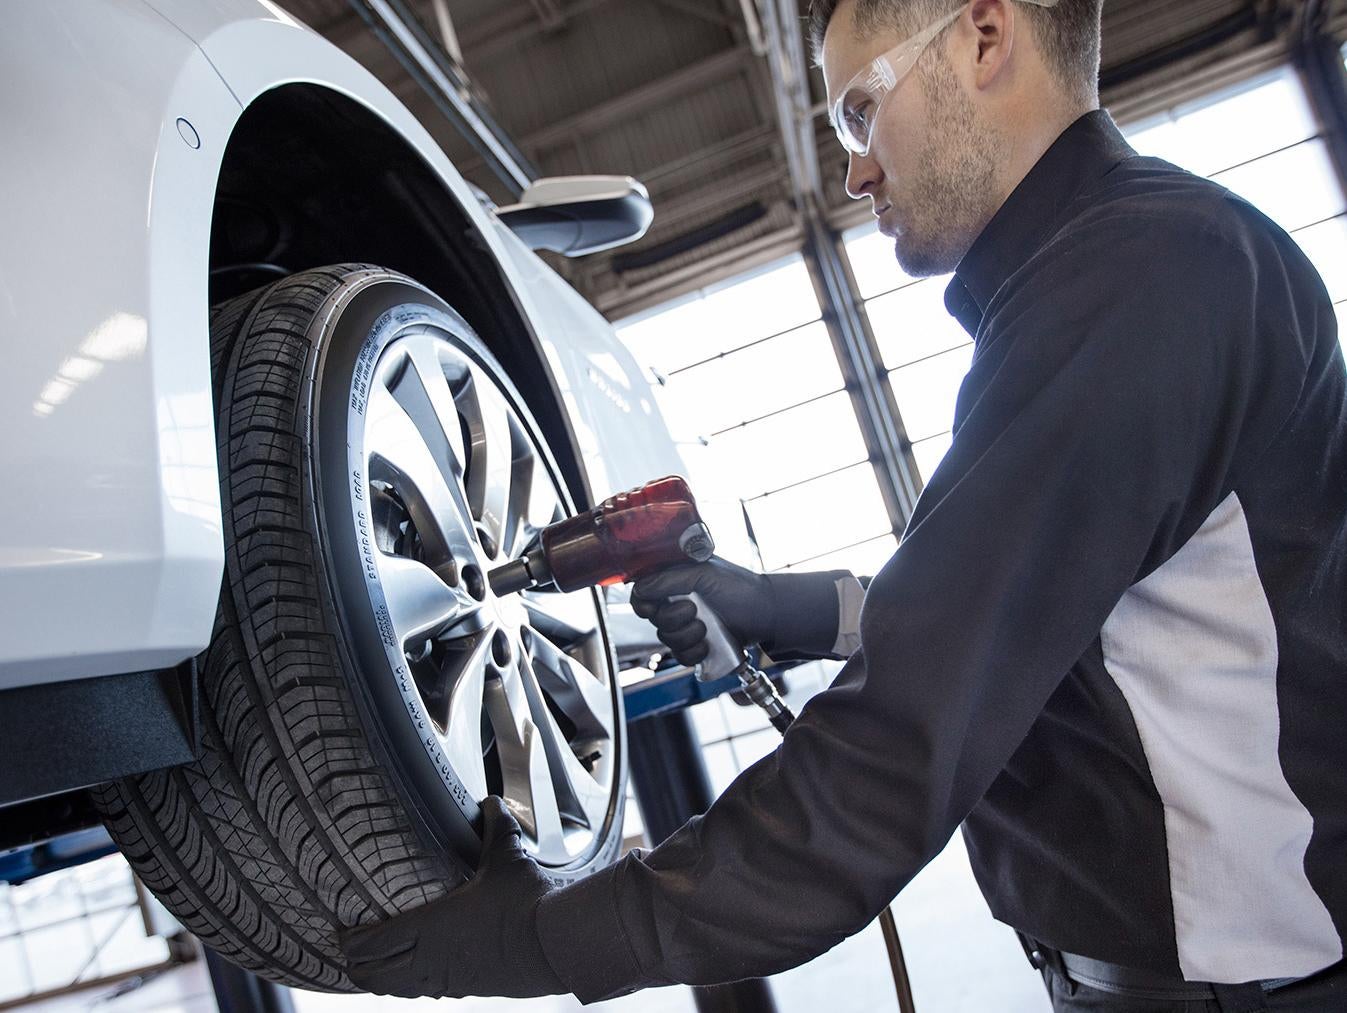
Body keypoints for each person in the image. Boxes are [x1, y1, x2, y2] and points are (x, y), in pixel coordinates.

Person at [339, 0, 1347, 1008]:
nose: (856, 170)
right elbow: (1057, 624)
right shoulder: (1125, 271)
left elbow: (894, 755)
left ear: (984, 38)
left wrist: (548, 940)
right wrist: (796, 607)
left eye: (861, 114)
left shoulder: (1139, 284)